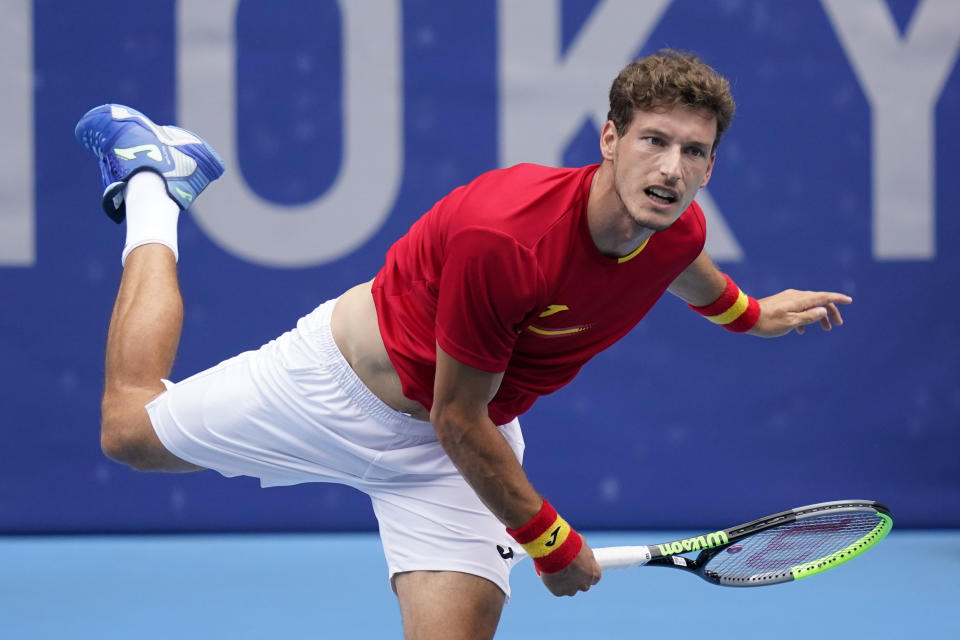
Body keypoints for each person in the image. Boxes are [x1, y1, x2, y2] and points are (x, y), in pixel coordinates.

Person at [75, 50, 850, 639]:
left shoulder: (677, 225)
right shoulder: (508, 239)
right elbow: (456, 414)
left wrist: (753, 314)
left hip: (448, 463)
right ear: (610, 138)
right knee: (126, 430)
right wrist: (548, 540)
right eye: (654, 141)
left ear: (711, 165)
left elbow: (684, 266)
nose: (671, 168)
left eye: (693, 152)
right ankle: (154, 183)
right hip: (336, 392)